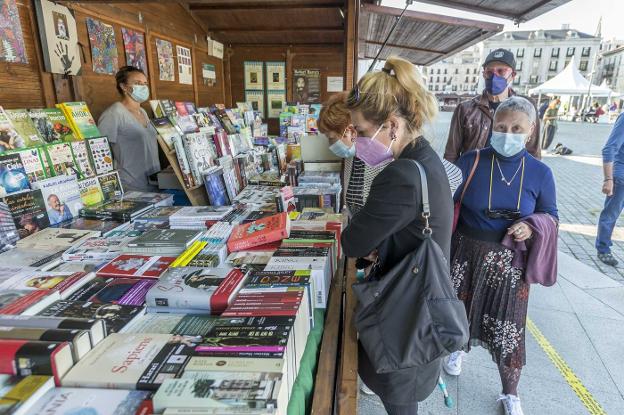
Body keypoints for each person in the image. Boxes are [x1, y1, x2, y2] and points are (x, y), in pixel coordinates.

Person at [341, 56, 452, 415]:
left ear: (391, 125)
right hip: (420, 302)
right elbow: (416, 228)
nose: (356, 139)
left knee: (400, 401)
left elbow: (352, 242)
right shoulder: (426, 160)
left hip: (405, 313)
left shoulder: (401, 174)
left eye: (359, 130)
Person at [447, 96, 558, 415]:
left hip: (510, 263)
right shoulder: (471, 161)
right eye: (501, 126)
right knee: (459, 313)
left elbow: (551, 214)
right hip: (466, 254)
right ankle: (458, 349)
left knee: (508, 329)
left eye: (516, 128)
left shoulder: (540, 172)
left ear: (531, 130)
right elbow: (445, 200)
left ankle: (510, 393)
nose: (507, 133)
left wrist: (531, 225)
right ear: (492, 126)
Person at [318, 91, 462, 217]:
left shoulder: (384, 154)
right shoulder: (351, 157)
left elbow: (453, 174)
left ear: (351, 129)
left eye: (331, 138)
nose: (330, 145)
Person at [444, 48, 541, 162]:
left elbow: (533, 152)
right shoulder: (465, 109)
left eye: (501, 71)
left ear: (513, 75)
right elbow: (451, 154)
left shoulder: (526, 108)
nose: (494, 77)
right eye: (489, 72)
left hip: (510, 177)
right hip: (473, 175)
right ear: (484, 74)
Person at [98, 66, 160, 192]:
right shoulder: (114, 113)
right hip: (131, 186)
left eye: (145, 83)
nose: (143, 87)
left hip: (155, 183)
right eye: (137, 83)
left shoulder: (142, 111)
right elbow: (100, 152)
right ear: (124, 87)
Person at [596, 112, 624, 266]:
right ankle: (603, 248)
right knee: (611, 214)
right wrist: (608, 179)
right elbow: (609, 148)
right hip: (621, 176)